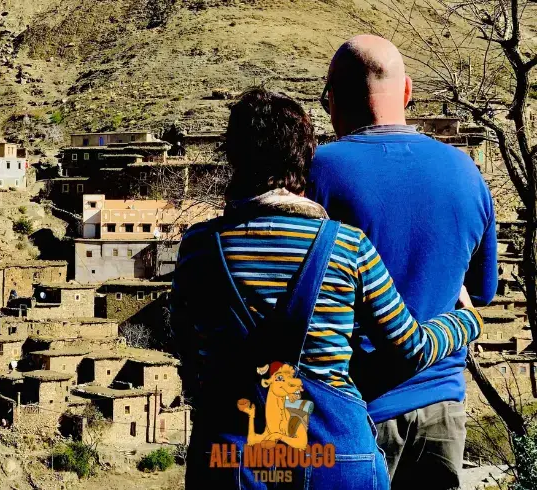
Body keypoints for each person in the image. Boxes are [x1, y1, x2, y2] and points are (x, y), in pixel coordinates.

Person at [171, 88, 483, 489]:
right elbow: (411, 347)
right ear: (305, 158)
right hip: (335, 458)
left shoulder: (198, 248)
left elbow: (188, 351)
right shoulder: (346, 247)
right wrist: (466, 322)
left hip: (232, 460)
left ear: (233, 158)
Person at [309, 35, 498, 489]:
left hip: (353, 415)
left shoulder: (318, 172)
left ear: (333, 100)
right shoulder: (465, 171)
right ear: (408, 91)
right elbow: (483, 293)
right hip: (443, 409)